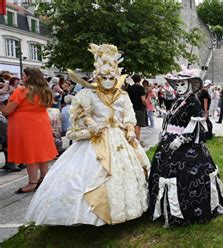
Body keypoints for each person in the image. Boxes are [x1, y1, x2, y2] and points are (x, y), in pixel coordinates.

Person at [25, 43, 150, 225]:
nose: (107, 81)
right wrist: (90, 124)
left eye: (111, 77)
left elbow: (128, 115)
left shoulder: (122, 95)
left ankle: (126, 211)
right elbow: (77, 119)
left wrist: (130, 129)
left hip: (119, 138)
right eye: (104, 77)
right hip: (94, 140)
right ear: (97, 76)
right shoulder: (88, 94)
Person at [148, 67, 223, 227]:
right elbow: (175, 116)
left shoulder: (193, 102)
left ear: (190, 84)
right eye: (176, 85)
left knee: (187, 177)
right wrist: (164, 115)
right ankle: (165, 208)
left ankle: (187, 210)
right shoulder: (179, 100)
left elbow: (196, 126)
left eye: (182, 84)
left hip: (186, 147)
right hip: (168, 142)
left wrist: (181, 139)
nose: (178, 88)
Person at [2, 67, 58, 193]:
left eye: (24, 75)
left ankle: (32, 183)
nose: (22, 77)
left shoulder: (22, 90)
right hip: (41, 123)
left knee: (30, 153)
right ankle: (44, 178)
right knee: (41, 152)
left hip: (26, 125)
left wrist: (3, 109)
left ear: (29, 77)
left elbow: (8, 110)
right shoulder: (45, 90)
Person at [126, 74, 148, 141]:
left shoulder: (130, 88)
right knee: (138, 126)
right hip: (139, 108)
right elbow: (143, 99)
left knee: (133, 125)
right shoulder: (141, 88)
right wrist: (146, 105)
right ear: (140, 79)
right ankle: (137, 141)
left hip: (131, 108)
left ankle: (132, 139)